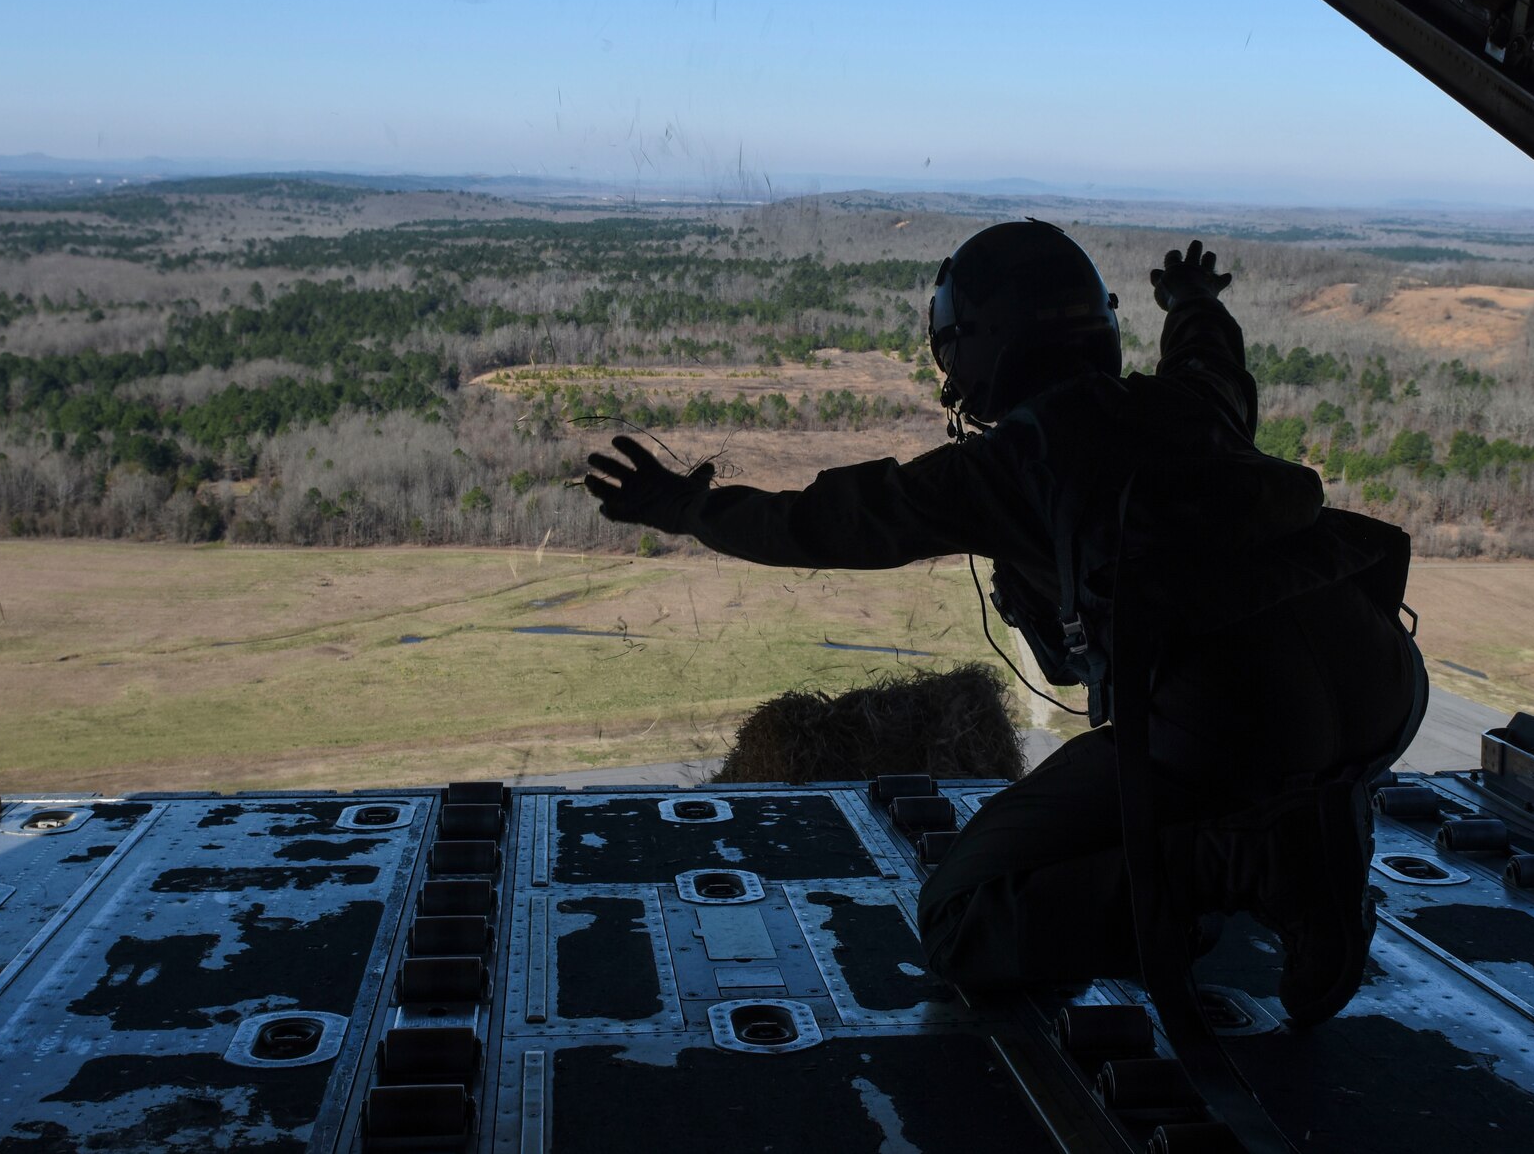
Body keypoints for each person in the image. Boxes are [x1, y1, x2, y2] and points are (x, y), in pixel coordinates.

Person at [583, 220, 1423, 1026]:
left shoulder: (1018, 463)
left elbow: (825, 522)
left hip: (1227, 728)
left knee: (963, 914)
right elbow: (1212, 356)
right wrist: (1193, 299)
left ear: (976, 348)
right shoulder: (1192, 406)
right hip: (1382, 688)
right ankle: (1277, 846)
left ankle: (1258, 862)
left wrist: (686, 506)